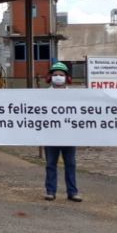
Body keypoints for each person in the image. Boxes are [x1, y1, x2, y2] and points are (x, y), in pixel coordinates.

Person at [43, 62, 82, 202]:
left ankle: (72, 192)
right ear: (50, 77)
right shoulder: (42, 95)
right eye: (55, 75)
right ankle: (50, 191)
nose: (58, 77)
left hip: (69, 135)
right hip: (50, 135)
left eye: (61, 75)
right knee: (50, 164)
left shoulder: (74, 95)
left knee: (70, 163)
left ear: (67, 78)